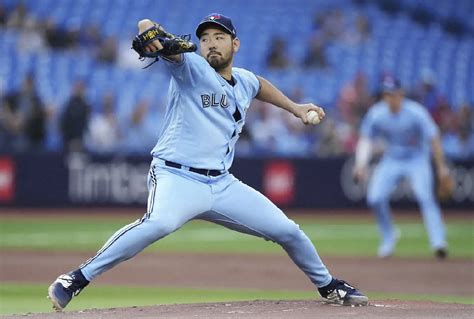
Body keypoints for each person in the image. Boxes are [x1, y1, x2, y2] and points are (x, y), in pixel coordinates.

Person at [47, 13, 368, 311]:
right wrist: (156, 38)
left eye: (219, 36)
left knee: (289, 231)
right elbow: (146, 25)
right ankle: (76, 278)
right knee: (158, 223)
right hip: (176, 176)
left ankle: (328, 286)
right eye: (205, 38)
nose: (211, 43)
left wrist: (295, 107)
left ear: (235, 44)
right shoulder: (189, 67)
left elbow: (259, 85)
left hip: (221, 184)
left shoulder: (243, 81)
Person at [353, 76, 450, 259]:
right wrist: (360, 164)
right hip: (392, 158)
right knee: (375, 198)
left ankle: (438, 242)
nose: (390, 98)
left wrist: (441, 167)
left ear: (401, 93)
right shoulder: (377, 113)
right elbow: (366, 139)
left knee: (425, 196)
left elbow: (434, 138)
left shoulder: (416, 112)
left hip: (417, 158)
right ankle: (389, 237)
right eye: (386, 94)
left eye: (393, 94)